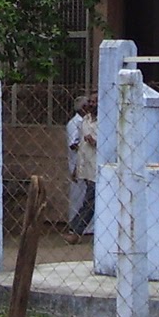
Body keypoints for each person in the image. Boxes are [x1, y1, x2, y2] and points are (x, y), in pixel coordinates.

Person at [64, 96, 97, 244]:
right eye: (89, 101)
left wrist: (96, 142)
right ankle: (76, 229)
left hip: (100, 168)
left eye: (94, 101)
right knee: (90, 201)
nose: (91, 104)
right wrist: (78, 167)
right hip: (88, 168)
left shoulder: (106, 122)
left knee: (90, 202)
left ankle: (75, 230)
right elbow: (81, 147)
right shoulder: (85, 121)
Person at [65, 94, 90, 230]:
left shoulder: (85, 122)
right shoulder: (75, 123)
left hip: (85, 163)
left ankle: (82, 227)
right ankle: (75, 226)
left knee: (84, 196)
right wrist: (86, 143)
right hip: (77, 164)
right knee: (78, 197)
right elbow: (72, 144)